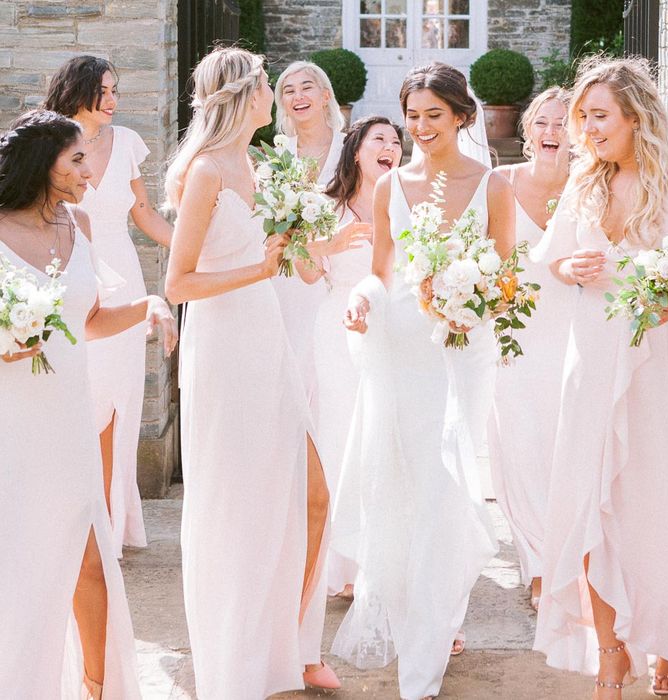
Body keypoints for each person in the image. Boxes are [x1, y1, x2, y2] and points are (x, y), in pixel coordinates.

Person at [530, 57, 668, 698]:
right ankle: (610, 650)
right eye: (581, 116)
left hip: (665, 361)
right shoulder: (584, 180)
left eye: (597, 116)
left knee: (665, 506)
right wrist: (573, 269)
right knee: (593, 504)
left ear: (637, 114)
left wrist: (664, 304)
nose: (584, 129)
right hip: (593, 357)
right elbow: (551, 260)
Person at [334, 62, 515, 700]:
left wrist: (472, 300)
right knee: (402, 488)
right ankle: (419, 619)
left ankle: (427, 655)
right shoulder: (391, 187)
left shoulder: (492, 186)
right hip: (398, 351)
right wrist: (360, 297)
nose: (419, 128)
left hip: (460, 354)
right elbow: (381, 271)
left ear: (462, 117)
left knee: (447, 490)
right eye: (412, 116)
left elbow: (506, 280)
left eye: (433, 115)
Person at [163, 47, 339, 699]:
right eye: (269, 82)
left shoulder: (261, 164)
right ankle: (235, 661)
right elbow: (179, 282)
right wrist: (260, 269)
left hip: (269, 340)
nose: (275, 92)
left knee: (308, 494)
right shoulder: (207, 170)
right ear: (245, 95)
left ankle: (281, 650)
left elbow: (284, 254)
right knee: (236, 505)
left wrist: (315, 249)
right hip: (225, 349)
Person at [0, 109, 176, 699]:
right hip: (12, 426)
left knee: (91, 563)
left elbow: (90, 319)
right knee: (19, 569)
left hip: (68, 423)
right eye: (78, 160)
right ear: (40, 162)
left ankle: (97, 688)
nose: (89, 174)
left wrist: (149, 305)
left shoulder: (80, 223)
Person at [43, 55, 173, 557]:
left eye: (116, 89)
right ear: (80, 90)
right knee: (74, 394)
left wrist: (198, 251)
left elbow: (144, 214)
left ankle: (110, 524)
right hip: (67, 277)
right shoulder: (47, 142)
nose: (116, 100)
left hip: (122, 280)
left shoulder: (128, 145)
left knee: (117, 400)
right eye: (107, 90)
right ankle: (72, 519)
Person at [297, 116, 403, 598]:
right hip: (335, 331)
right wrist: (330, 244)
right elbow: (301, 271)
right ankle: (343, 564)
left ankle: (380, 560)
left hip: (392, 331)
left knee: (384, 439)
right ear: (356, 150)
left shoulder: (408, 202)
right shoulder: (325, 207)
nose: (391, 146)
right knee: (341, 436)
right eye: (380, 138)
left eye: (396, 141)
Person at [487, 87, 575, 611]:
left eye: (562, 124)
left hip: (575, 333)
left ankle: (570, 557)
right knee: (521, 448)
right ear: (526, 130)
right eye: (542, 123)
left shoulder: (593, 187)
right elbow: (480, 256)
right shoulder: (500, 184)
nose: (551, 133)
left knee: (568, 448)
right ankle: (538, 564)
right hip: (514, 338)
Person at [271, 61, 346, 408]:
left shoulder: (349, 149)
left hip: (338, 267)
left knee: (332, 365)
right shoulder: (278, 154)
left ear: (325, 95)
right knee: (292, 362)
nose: (298, 96)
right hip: (290, 275)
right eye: (288, 90)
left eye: (306, 87)